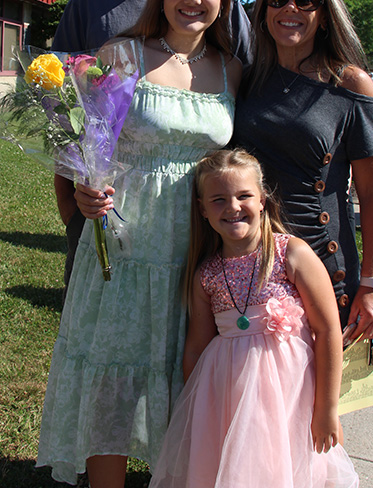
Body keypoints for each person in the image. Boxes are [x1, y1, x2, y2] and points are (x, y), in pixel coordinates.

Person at [37, 0, 242, 488]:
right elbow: (85, 143)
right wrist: (84, 188)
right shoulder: (121, 54)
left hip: (196, 243)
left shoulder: (234, 72)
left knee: (185, 373)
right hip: (124, 241)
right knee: (114, 378)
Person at [52, 0, 252, 290]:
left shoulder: (226, 17)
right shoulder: (92, 1)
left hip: (201, 227)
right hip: (111, 212)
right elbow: (61, 107)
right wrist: (72, 203)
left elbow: (248, 103)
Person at [150, 148, 359, 488]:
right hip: (228, 397)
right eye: (218, 199)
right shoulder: (206, 274)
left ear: (262, 200)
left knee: (286, 467)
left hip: (291, 398)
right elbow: (196, 348)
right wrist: (195, 410)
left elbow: (328, 329)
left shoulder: (291, 254)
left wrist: (326, 408)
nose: (232, 207)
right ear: (202, 209)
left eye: (243, 196)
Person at [233, 0, 373, 340]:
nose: (291, 7)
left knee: (320, 397)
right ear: (264, 8)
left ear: (324, 13)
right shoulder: (246, 79)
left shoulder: (351, 85)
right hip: (247, 265)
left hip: (322, 269)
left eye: (305, 0)